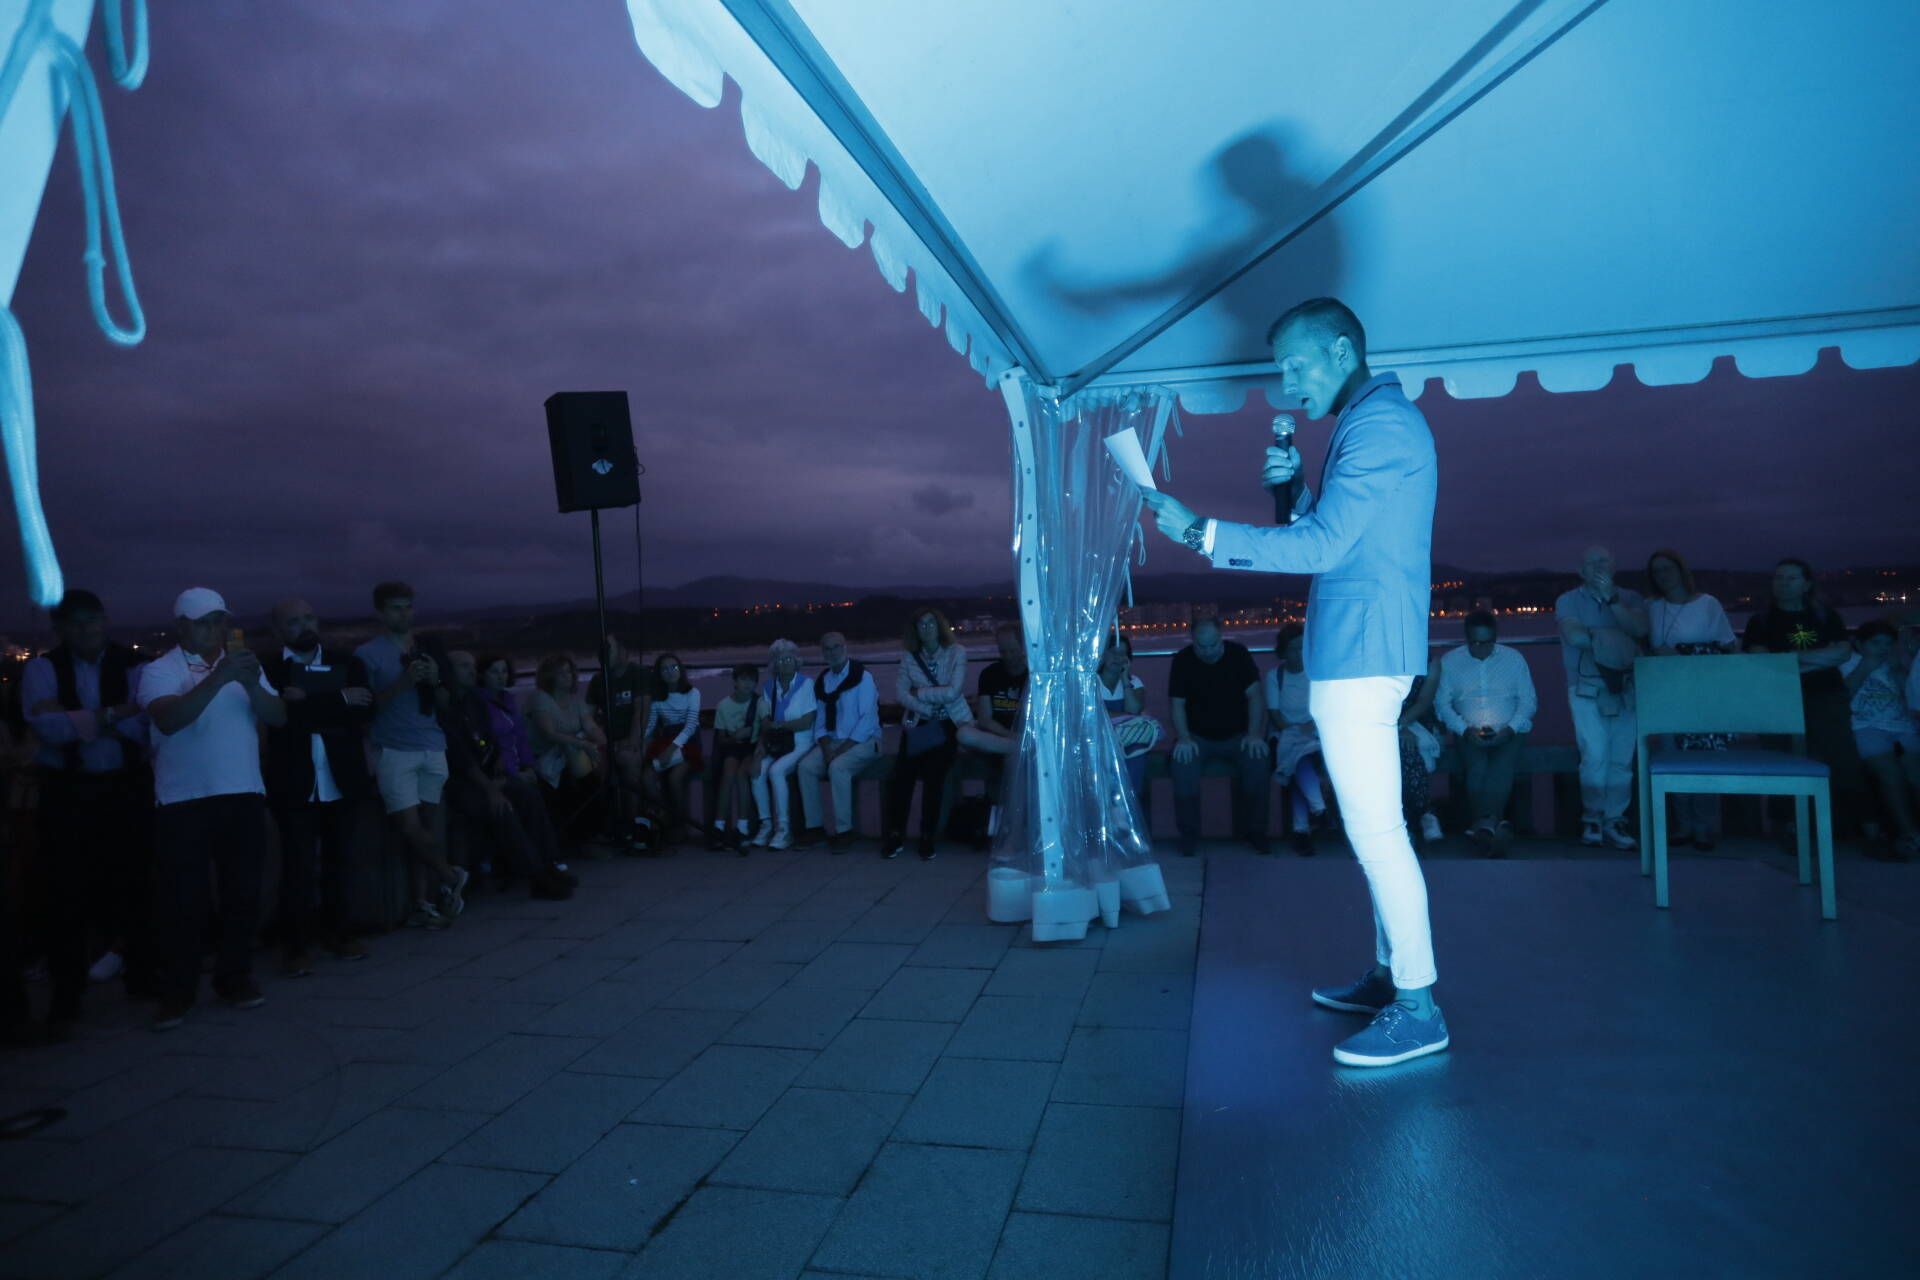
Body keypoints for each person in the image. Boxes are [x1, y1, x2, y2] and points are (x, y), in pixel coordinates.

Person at [1141, 296, 1446, 1068]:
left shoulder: (1377, 426)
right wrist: (1291, 487)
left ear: (1342, 351)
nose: (1286, 384)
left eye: (1296, 365)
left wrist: (1199, 531)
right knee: (1376, 832)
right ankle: (1390, 979)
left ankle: (1419, 1006)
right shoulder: (1372, 422)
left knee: (1379, 835)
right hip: (1360, 650)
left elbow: (1321, 550)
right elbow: (1335, 533)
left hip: (1362, 655)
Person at [137, 588, 287, 1031]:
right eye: (204, 622)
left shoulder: (242, 665)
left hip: (241, 792)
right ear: (181, 625)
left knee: (243, 892)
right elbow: (168, 719)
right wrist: (219, 678)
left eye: (219, 621)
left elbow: (277, 716)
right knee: (185, 899)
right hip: (184, 800)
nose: (214, 630)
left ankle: (234, 977)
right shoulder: (159, 670)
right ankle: (178, 991)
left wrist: (247, 683)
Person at [19, 588, 154, 1033]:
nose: (86, 629)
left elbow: (146, 724)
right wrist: (114, 716)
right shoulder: (40, 668)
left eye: (92, 619)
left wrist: (80, 719)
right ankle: (67, 993)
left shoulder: (136, 666)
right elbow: (46, 727)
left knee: (134, 883)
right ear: (60, 627)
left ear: (104, 620)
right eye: (76, 622)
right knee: (65, 895)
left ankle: (141, 974)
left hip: (124, 789)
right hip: (68, 793)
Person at [263, 598, 374, 975]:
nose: (304, 625)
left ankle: (340, 933)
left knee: (340, 860)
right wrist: (337, 699)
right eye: (293, 621)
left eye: (309, 617)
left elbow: (363, 710)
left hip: (342, 776)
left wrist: (306, 700)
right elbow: (281, 720)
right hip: (294, 781)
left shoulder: (348, 662)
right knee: (296, 867)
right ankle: (295, 947)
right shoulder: (269, 668)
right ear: (278, 630)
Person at [354, 582, 468, 928]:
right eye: (395, 608)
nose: (403, 613)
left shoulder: (429, 648)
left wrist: (435, 680)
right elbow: (365, 710)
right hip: (393, 749)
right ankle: (451, 876)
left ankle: (424, 901)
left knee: (428, 828)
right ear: (380, 612)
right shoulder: (367, 655)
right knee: (409, 826)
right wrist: (403, 683)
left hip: (432, 746)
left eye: (407, 607)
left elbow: (450, 703)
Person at [1743, 558, 1864, 830]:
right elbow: (1764, 662)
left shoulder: (1826, 616)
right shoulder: (1760, 621)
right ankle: (1789, 825)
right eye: (1779, 578)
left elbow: (1842, 653)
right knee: (1782, 760)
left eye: (1791, 578)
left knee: (1840, 757)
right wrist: (1819, 658)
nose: (1783, 584)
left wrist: (1790, 660)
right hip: (1779, 700)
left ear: (1806, 583)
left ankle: (1847, 824)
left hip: (1826, 696)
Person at [442, 651, 575, 897]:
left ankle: (550, 863)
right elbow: (462, 759)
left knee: (529, 795)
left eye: (472, 665)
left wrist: (505, 773)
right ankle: (535, 876)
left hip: (489, 776)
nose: (471, 671)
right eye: (463, 666)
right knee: (504, 808)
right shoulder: (446, 707)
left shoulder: (474, 702)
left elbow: (491, 744)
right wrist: (492, 787)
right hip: (463, 784)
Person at [1555, 546, 1648, 850]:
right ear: (1580, 571)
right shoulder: (1568, 601)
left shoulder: (1631, 598)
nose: (1598, 566)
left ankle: (1615, 818)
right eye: (1591, 562)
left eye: (1604, 560)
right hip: (1584, 687)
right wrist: (1620, 639)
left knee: (1622, 756)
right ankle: (1593, 817)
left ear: (1615, 566)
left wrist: (1612, 603)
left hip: (1628, 687)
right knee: (1593, 755)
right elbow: (1575, 637)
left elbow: (1640, 628)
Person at [1644, 548, 1737, 850]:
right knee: (1673, 759)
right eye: (1657, 571)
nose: (1662, 575)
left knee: (1704, 760)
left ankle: (1706, 826)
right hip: (1668, 693)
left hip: (1704, 693)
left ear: (1681, 570)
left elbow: (1727, 648)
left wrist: (1682, 652)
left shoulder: (1707, 604)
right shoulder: (1653, 608)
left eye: (1667, 568)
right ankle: (1683, 825)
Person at [1166, 616, 1270, 857]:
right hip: (1197, 737)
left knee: (1258, 761)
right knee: (1182, 764)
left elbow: (1255, 696)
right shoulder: (1182, 660)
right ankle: (1189, 835)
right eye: (1203, 646)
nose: (1209, 651)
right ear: (1193, 641)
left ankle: (1256, 832)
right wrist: (1183, 737)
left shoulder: (1239, 654)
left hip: (1239, 736)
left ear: (1221, 637)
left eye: (1214, 644)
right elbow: (1177, 704)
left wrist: (1255, 734)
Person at [1435, 611, 1537, 857]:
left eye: (1487, 642)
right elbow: (1442, 704)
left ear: (1495, 638)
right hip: (1468, 730)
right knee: (1477, 767)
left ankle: (1482, 826)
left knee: (1501, 767)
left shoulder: (1513, 660)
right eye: (1475, 643)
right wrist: (1463, 730)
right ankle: (1491, 825)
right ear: (1466, 638)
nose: (1481, 649)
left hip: (1509, 729)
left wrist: (1511, 728)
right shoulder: (1451, 662)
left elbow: (1528, 701)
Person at [886, 607, 972, 861]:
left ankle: (927, 835)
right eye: (921, 624)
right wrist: (927, 707)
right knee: (903, 777)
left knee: (935, 779)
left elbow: (953, 692)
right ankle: (895, 834)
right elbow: (901, 694)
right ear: (915, 630)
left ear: (940, 625)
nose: (926, 628)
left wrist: (920, 694)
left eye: (931, 623)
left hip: (948, 724)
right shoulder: (909, 657)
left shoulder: (957, 653)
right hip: (918, 723)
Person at [1841, 620, 1920, 861]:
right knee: (1890, 774)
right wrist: (1865, 668)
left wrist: (1899, 671)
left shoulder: (1896, 664)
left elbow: (1909, 699)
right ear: (1859, 643)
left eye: (1887, 643)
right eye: (1875, 643)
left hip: (1901, 725)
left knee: (1914, 772)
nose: (1882, 648)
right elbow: (1842, 698)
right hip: (1865, 726)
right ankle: (1909, 834)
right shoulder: (1848, 663)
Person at [797, 632, 882, 852]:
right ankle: (814, 827)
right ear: (823, 652)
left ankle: (844, 830)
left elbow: (867, 720)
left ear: (845, 648)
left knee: (838, 767)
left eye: (836, 647)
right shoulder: (824, 681)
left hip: (864, 741)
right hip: (833, 741)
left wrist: (841, 750)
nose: (832, 652)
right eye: (827, 648)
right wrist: (825, 747)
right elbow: (821, 721)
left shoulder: (862, 677)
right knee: (805, 767)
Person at [527, 653, 609, 848]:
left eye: (569, 671)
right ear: (549, 676)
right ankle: (582, 838)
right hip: (544, 759)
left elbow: (591, 728)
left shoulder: (576, 702)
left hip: (570, 757)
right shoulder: (540, 698)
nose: (567, 676)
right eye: (561, 672)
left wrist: (602, 741)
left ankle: (592, 834)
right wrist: (583, 744)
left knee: (596, 771)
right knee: (580, 779)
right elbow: (549, 733)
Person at [1263, 624, 1325, 856]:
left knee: (1300, 761)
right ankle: (1317, 809)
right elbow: (1275, 715)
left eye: (1302, 648)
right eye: (1292, 649)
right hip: (1285, 735)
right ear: (1283, 651)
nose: (1297, 654)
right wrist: (1295, 731)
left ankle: (1302, 828)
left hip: (1313, 735)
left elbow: (1322, 710)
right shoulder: (1275, 677)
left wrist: (1308, 728)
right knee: (1298, 758)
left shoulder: (1315, 676)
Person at [750, 639, 816, 850]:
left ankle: (784, 829)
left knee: (776, 771)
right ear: (774, 664)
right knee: (758, 771)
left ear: (796, 661)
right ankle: (766, 824)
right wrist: (760, 748)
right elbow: (765, 721)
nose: (785, 663)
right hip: (778, 744)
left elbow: (806, 721)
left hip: (801, 743)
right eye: (781, 660)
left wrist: (779, 725)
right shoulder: (770, 687)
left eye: (789, 659)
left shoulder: (807, 685)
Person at [586, 635, 651, 829]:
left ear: (623, 652)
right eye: (601, 649)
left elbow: (642, 711)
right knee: (595, 769)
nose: (604, 653)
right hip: (607, 741)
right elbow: (587, 716)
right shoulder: (598, 680)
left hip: (636, 738)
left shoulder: (638, 673)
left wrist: (632, 741)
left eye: (609, 648)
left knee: (629, 761)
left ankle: (633, 826)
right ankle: (605, 827)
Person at [638, 653, 703, 842]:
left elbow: (690, 726)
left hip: (687, 742)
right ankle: (661, 817)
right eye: (665, 669)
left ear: (680, 670)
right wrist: (641, 740)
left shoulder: (693, 693)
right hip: (665, 740)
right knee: (647, 776)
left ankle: (681, 824)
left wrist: (671, 750)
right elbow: (651, 725)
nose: (670, 672)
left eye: (674, 667)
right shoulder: (658, 698)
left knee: (675, 777)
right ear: (659, 673)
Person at [1098, 635, 1159, 811]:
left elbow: (1134, 710)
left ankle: (1133, 812)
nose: (1118, 658)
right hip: (1101, 742)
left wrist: (1125, 680)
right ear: (1102, 655)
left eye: (1122, 654)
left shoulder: (1134, 682)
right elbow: (1095, 715)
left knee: (1136, 756)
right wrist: (1126, 717)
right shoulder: (1092, 681)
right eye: (1113, 653)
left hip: (1126, 742)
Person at [708, 664, 763, 851]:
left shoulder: (759, 703)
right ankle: (719, 826)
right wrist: (735, 737)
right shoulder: (724, 705)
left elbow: (763, 733)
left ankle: (743, 826)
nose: (747, 684)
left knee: (742, 775)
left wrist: (750, 736)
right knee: (728, 773)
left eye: (751, 680)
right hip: (732, 747)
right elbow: (721, 739)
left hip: (751, 748)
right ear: (735, 682)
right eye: (743, 679)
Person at [1397, 656, 1446, 845]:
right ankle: (1424, 813)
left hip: (1415, 720)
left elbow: (1423, 702)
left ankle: (1409, 821)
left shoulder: (1430, 663)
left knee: (1408, 747)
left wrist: (1401, 725)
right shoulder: (1383, 655)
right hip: (1382, 717)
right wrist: (1395, 728)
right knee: (1400, 749)